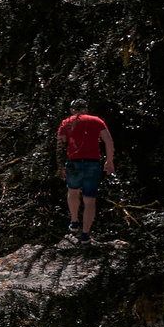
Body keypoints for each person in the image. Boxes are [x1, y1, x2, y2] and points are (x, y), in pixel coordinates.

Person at [57, 99, 117, 238]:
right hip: (92, 163)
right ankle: (85, 234)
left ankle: (74, 222)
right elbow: (108, 141)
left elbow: (61, 144)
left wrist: (60, 166)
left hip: (74, 162)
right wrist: (109, 161)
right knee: (89, 200)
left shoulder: (66, 122)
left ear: (72, 110)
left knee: (73, 191)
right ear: (86, 109)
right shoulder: (97, 121)